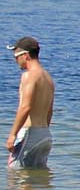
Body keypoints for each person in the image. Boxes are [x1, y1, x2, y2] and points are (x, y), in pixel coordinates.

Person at [7, 37, 53, 170]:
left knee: (15, 175)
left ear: (25, 55)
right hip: (45, 135)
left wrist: (12, 135)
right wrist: (43, 132)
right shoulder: (48, 78)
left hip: (29, 134)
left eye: (16, 57)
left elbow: (25, 107)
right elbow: (49, 111)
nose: (15, 61)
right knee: (37, 180)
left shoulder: (29, 76)